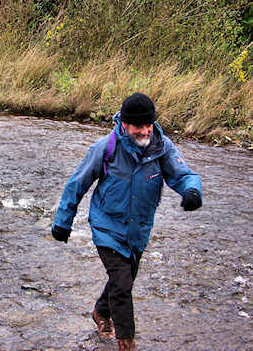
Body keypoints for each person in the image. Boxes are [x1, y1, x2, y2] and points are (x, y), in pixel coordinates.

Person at [51, 93, 202, 351]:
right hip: (106, 227)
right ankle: (127, 343)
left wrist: (191, 191)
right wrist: (63, 222)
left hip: (139, 230)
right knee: (122, 284)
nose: (144, 131)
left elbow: (184, 174)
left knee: (125, 279)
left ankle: (100, 311)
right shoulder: (105, 148)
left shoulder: (161, 147)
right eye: (138, 126)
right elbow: (77, 184)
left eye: (148, 125)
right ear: (124, 124)